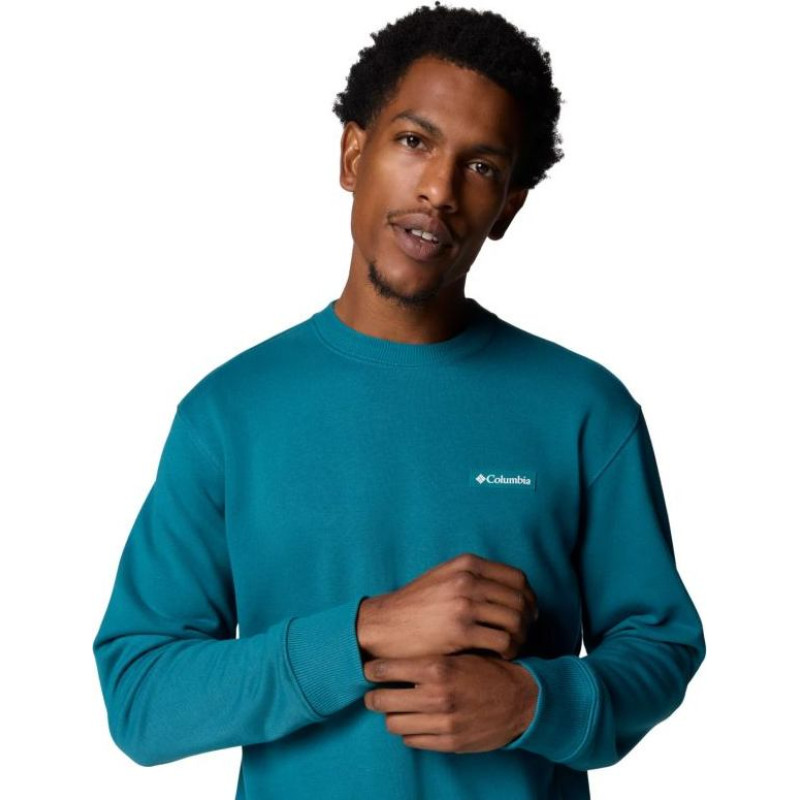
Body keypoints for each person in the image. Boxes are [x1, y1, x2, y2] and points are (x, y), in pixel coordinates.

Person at [92, 4, 705, 798]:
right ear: (354, 154)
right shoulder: (228, 415)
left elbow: (660, 643)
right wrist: (365, 632)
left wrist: (535, 703)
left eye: (481, 167)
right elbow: (142, 698)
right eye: (415, 141)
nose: (439, 190)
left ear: (509, 205)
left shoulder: (585, 410)